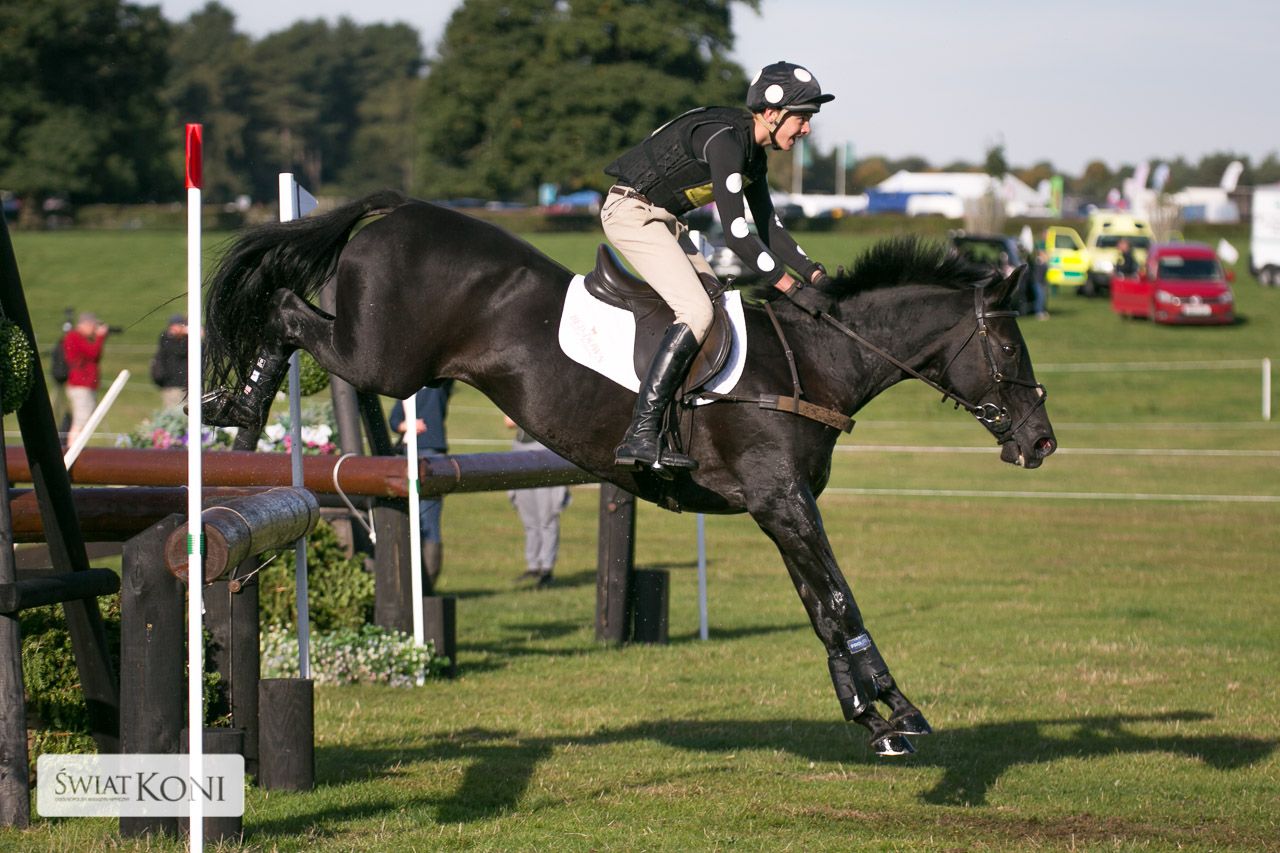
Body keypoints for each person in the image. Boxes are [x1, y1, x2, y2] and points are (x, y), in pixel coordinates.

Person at [601, 60, 837, 472]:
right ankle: (640, 433)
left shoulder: (753, 156)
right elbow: (738, 235)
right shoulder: (726, 141)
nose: (807, 129)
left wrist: (816, 275)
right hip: (630, 213)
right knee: (697, 312)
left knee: (718, 305)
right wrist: (791, 288)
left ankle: (686, 423)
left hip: (664, 221)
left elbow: (770, 226)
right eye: (802, 118)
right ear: (771, 113)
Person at [388, 382, 453, 589]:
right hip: (406, 453)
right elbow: (394, 420)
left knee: (429, 518)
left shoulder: (438, 385)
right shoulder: (407, 388)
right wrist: (407, 426)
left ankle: (428, 584)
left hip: (431, 453)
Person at [504, 415, 571, 587]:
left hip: (544, 450)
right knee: (529, 517)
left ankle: (547, 569)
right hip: (520, 448)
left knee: (547, 516)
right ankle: (533, 566)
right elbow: (508, 422)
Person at [62, 311, 109, 448]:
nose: (94, 330)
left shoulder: (79, 337)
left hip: (85, 386)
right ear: (85, 324)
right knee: (81, 421)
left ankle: (74, 449)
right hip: (80, 386)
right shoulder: (74, 337)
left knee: (85, 420)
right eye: (93, 326)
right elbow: (93, 353)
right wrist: (100, 337)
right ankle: (72, 450)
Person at [150, 314, 188, 410]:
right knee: (173, 413)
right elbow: (178, 351)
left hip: (187, 385)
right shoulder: (166, 339)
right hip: (172, 385)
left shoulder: (187, 340)